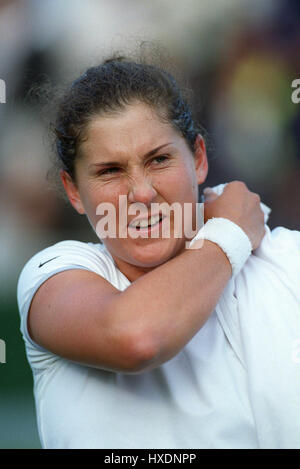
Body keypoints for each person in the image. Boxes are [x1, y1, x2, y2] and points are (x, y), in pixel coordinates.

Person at [17, 55, 300, 449]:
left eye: (159, 159)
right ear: (73, 191)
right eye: (110, 171)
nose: (142, 193)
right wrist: (231, 230)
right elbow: (137, 337)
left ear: (199, 159)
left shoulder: (289, 260)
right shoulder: (55, 272)